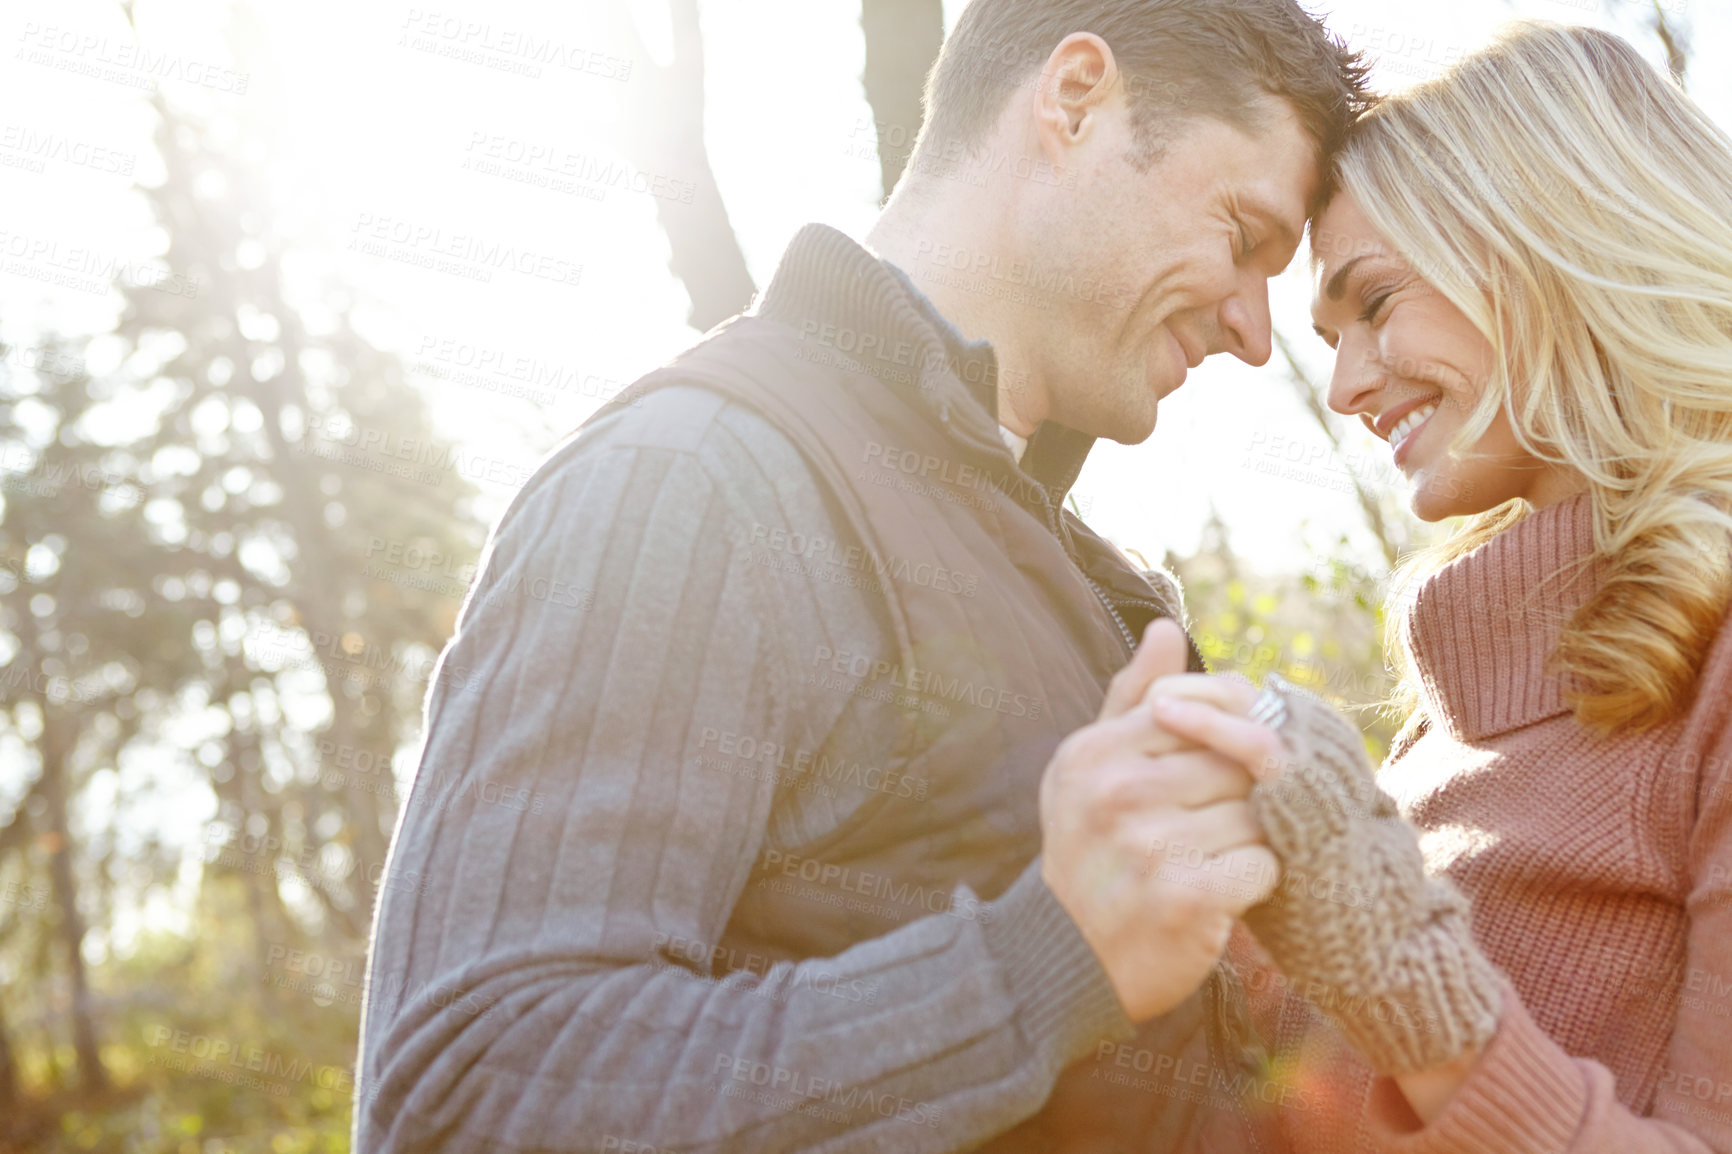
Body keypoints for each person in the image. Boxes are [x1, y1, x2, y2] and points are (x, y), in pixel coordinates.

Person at [349, 2, 1373, 1151]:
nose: (1250, 328)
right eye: (1241, 236)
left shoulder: (1083, 578)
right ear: (1075, 100)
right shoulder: (692, 482)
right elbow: (466, 1094)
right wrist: (1036, 966)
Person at [1144, 22, 1732, 1153]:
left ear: (1550, 244)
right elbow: (1330, 1104)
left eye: (1372, 303)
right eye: (1329, 337)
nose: (1352, 385)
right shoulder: (1466, 686)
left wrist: (1400, 972)